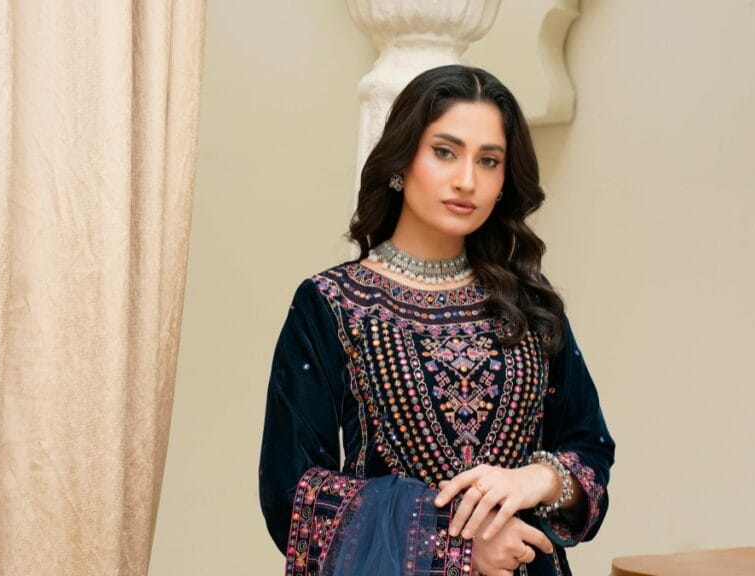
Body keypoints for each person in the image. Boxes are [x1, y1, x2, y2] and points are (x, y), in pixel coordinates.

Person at [259, 65, 614, 576]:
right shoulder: (332, 304)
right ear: (401, 161)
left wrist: (535, 481)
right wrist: (453, 546)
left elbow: (589, 447)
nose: (466, 180)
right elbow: (291, 494)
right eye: (444, 152)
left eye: (488, 161)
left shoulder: (530, 307)